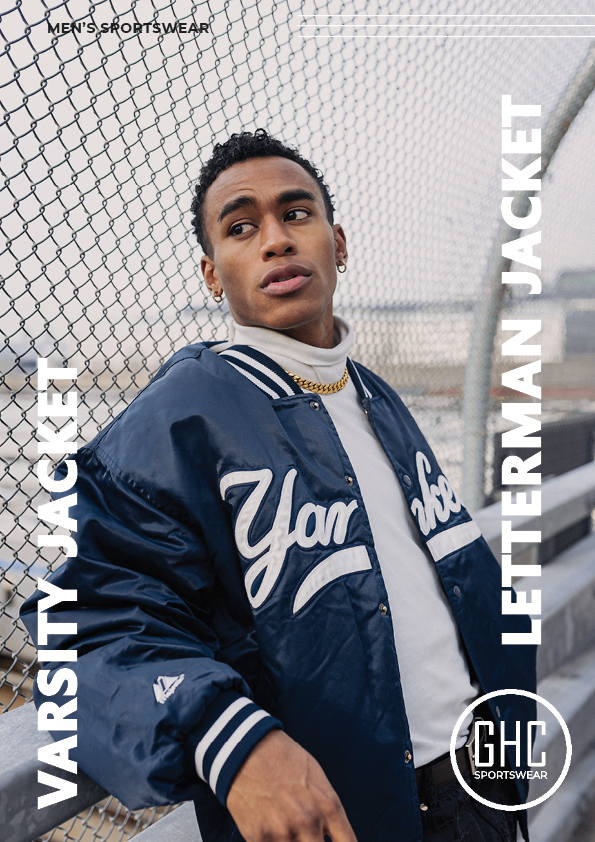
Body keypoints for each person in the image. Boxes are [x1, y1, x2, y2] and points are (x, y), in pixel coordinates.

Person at [22, 130, 536, 842]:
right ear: (211, 275)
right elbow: (88, 621)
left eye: (296, 214)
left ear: (339, 243)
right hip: (344, 809)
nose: (274, 240)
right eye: (241, 226)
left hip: (479, 783)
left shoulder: (376, 396)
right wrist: (232, 738)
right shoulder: (182, 414)